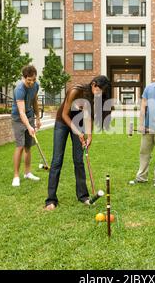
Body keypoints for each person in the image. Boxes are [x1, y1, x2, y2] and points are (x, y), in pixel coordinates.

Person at [44, 75, 111, 210]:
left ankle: (83, 196)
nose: (99, 93)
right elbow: (64, 114)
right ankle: (51, 200)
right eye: (99, 90)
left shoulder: (93, 97)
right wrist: (78, 132)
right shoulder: (75, 90)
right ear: (93, 84)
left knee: (79, 160)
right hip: (62, 122)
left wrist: (89, 136)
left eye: (102, 92)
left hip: (78, 123)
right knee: (57, 160)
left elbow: (87, 117)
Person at [11, 65, 41, 187]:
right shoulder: (19, 89)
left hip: (29, 117)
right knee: (20, 146)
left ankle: (27, 173)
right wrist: (29, 126)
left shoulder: (35, 85)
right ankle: (16, 176)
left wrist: (38, 118)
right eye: (29, 80)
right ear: (24, 78)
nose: (32, 82)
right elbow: (21, 111)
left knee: (28, 147)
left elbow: (34, 101)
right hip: (18, 119)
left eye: (34, 79)